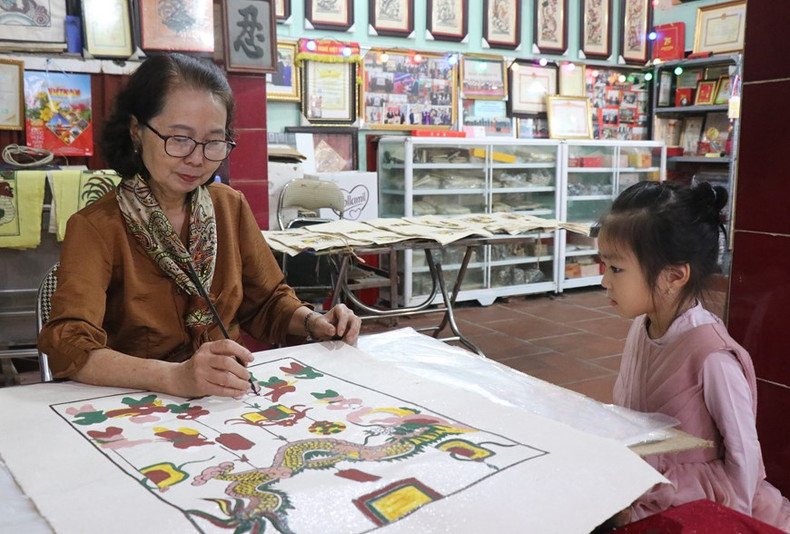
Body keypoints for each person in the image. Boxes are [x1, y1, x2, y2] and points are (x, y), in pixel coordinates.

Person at [38, 54, 361, 400]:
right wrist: (175, 377)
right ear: (136, 132)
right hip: (136, 403)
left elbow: (266, 302)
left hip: (224, 399)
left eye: (213, 142)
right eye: (179, 139)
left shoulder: (228, 207)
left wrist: (315, 323)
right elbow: (68, 346)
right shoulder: (96, 228)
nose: (196, 158)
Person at [596, 180, 790, 530]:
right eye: (604, 266)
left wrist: (733, 520)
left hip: (699, 499)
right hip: (646, 477)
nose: (605, 281)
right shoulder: (642, 326)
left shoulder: (711, 354)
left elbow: (744, 453)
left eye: (616, 268)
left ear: (674, 276)